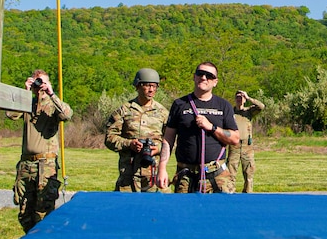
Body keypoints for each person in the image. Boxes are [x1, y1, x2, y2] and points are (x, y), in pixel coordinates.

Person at [156, 62, 240, 193]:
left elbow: (234, 138)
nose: (204, 78)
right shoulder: (179, 104)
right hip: (186, 175)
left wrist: (211, 127)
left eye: (209, 76)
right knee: (185, 212)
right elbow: (168, 138)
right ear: (194, 77)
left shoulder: (224, 105)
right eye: (200, 74)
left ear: (215, 82)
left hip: (216, 175)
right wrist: (162, 168)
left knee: (221, 212)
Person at [8, 69, 72, 232]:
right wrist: (25, 92)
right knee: (25, 211)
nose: (39, 85)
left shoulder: (53, 106)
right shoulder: (27, 104)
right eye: (36, 82)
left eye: (41, 82)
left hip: (46, 164)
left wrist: (51, 93)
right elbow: (11, 114)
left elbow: (66, 114)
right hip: (26, 164)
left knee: (43, 209)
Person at [104, 68, 170, 192]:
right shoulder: (124, 111)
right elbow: (109, 138)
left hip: (153, 176)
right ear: (138, 86)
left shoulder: (163, 113)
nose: (151, 90)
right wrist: (130, 144)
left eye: (154, 86)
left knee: (156, 209)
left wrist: (159, 149)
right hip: (128, 176)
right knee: (126, 210)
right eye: (147, 85)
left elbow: (171, 141)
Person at [226, 90, 265, 193]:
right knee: (230, 172)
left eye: (241, 97)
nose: (239, 99)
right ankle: (230, 193)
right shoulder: (231, 112)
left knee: (249, 173)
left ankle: (248, 194)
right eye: (237, 97)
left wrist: (248, 98)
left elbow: (261, 106)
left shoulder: (249, 112)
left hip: (247, 146)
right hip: (234, 145)